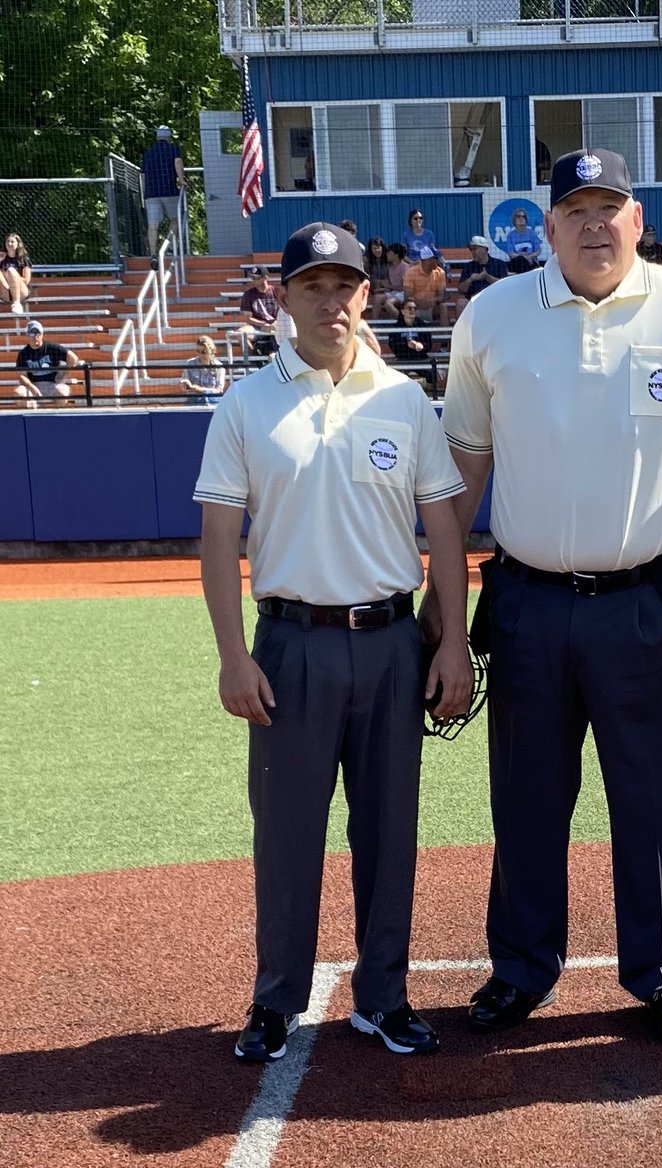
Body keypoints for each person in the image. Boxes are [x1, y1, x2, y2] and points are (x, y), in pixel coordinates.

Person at [437, 148, 662, 1045]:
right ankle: (521, 967)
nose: (593, 223)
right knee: (528, 798)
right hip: (529, 602)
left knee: (657, 796)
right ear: (544, 227)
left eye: (609, 207)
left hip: (649, 599)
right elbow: (459, 478)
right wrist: (432, 603)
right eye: (575, 208)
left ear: (639, 218)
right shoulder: (492, 317)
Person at [193, 221, 472, 1064]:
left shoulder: (404, 401)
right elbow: (216, 538)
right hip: (289, 647)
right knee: (287, 834)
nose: (330, 300)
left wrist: (451, 641)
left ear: (365, 294)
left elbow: (445, 536)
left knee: (389, 833)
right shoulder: (247, 402)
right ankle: (276, 1000)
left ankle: (383, 997)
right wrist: (232, 655)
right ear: (284, 297)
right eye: (311, 285)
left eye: (343, 285)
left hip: (390, 641)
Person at [142, 125, 186, 254]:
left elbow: (143, 175)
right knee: (176, 218)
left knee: (153, 225)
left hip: (151, 193)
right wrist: (181, 180)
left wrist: (146, 192)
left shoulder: (148, 152)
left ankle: (153, 254)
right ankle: (170, 246)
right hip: (169, 190)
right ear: (169, 137)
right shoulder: (173, 149)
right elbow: (177, 162)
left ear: (157, 137)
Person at [15, 319, 79, 402]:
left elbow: (73, 357)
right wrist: (32, 387)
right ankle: (33, 413)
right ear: (27, 335)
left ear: (42, 334)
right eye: (32, 333)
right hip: (33, 384)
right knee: (18, 393)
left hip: (53, 384)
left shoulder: (52, 348)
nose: (35, 336)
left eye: (37, 333)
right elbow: (22, 376)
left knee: (62, 394)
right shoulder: (23, 353)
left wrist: (63, 376)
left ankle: (56, 414)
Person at [238, 266, 279, 357]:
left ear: (265, 278)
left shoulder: (276, 291)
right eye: (252, 277)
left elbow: (285, 312)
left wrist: (275, 324)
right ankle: (255, 356)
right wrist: (263, 324)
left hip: (277, 325)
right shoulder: (248, 294)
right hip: (257, 327)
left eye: (255, 278)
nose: (253, 280)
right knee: (241, 334)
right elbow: (248, 318)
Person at [457, 235, 508, 305]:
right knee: (461, 303)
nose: (472, 252)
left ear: (485, 249)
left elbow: (505, 285)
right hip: (473, 300)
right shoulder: (468, 266)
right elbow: (461, 290)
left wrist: (487, 277)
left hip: (494, 299)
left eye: (475, 249)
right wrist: (470, 280)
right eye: (470, 249)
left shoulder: (499, 264)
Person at [403, 247, 447, 326]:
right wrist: (419, 303)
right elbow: (407, 296)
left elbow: (441, 296)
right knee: (409, 307)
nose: (438, 261)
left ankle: (445, 334)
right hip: (415, 307)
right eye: (436, 258)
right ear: (428, 260)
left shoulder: (440, 273)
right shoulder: (411, 272)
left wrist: (433, 301)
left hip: (432, 306)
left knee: (443, 307)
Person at [180, 334, 227, 405]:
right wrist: (185, 385)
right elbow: (186, 387)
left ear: (211, 351)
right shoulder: (189, 364)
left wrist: (201, 390)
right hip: (194, 400)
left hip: (213, 400)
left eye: (203, 352)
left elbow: (219, 390)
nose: (200, 355)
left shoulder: (219, 367)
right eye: (198, 351)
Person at [1, 232, 33, 315]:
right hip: (6, 292)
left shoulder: (23, 258)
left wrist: (11, 277)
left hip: (21, 291)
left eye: (12, 242)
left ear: (18, 244)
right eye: (7, 241)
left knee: (11, 271)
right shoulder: (2, 257)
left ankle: (17, 303)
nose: (9, 243)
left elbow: (26, 280)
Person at [379, 243, 411, 321]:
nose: (387, 254)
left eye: (389, 253)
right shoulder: (390, 267)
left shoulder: (404, 267)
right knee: (377, 298)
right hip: (394, 292)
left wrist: (389, 286)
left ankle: (403, 321)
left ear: (396, 255)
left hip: (403, 293)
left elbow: (405, 288)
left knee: (388, 303)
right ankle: (375, 323)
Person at [364, 236, 390, 317]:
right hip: (372, 288)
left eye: (379, 248)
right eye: (374, 248)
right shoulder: (366, 260)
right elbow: (366, 276)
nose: (377, 250)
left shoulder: (388, 259)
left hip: (387, 288)